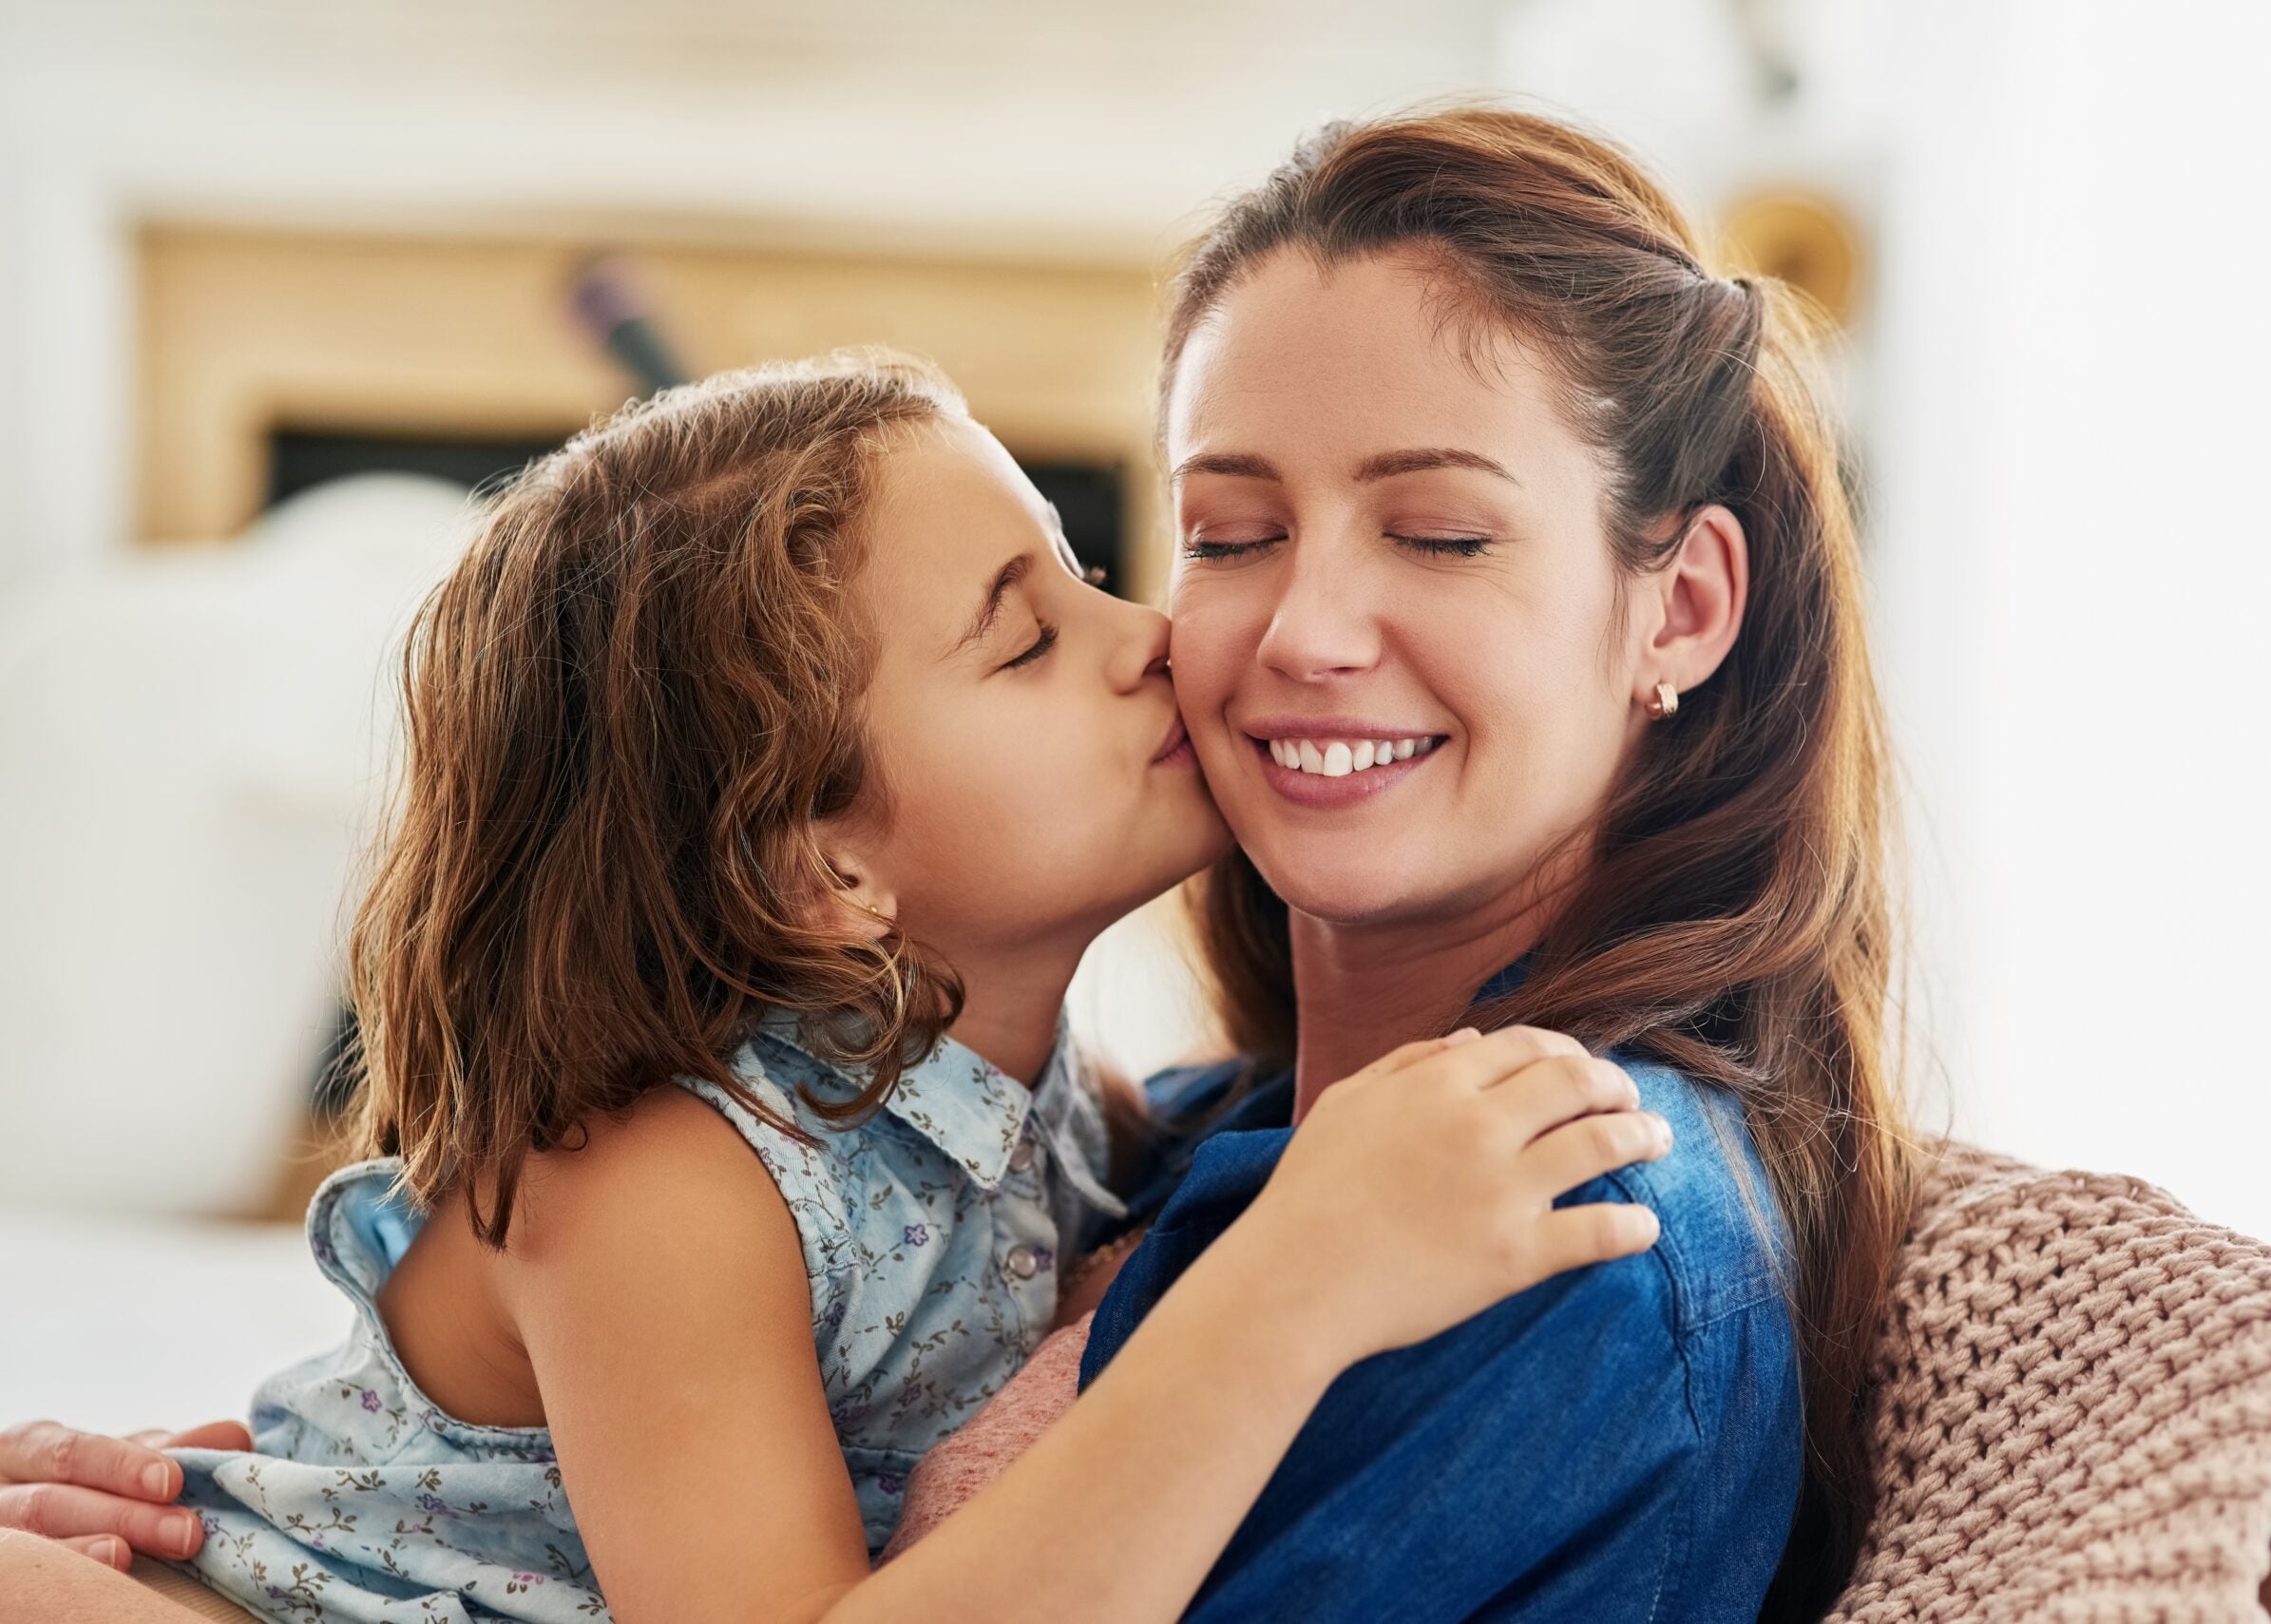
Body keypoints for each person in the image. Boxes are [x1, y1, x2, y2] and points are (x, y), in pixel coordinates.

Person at [6, 103, 1918, 1621]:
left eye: (1437, 533)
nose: (1235, 637)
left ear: (1676, 611)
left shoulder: (1559, 1233)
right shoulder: (1148, 1140)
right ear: (818, 869)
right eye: (1226, 533)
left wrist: (1293, 1283)